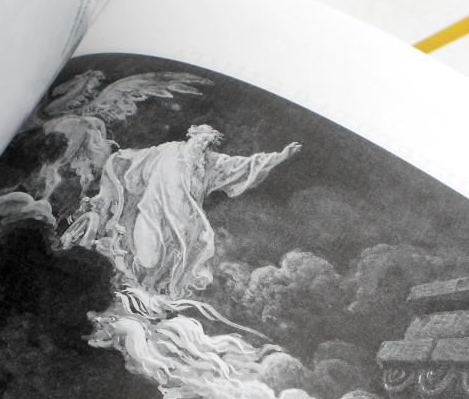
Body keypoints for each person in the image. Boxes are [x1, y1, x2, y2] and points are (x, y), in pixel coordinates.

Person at [62, 124, 301, 299]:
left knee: (175, 262)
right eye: (202, 140)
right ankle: (131, 284)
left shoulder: (211, 163)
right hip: (152, 213)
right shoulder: (168, 151)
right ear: (192, 137)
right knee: (147, 256)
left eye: (209, 144)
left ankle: (154, 293)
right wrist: (118, 159)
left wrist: (278, 157)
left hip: (185, 224)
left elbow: (243, 165)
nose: (204, 146)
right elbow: (137, 160)